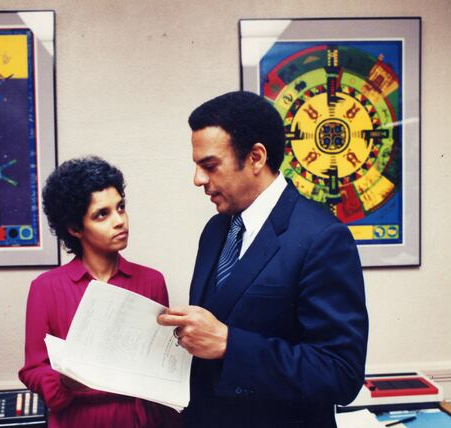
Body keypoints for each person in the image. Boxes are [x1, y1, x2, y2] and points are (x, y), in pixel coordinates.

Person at [157, 91, 369, 427]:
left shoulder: (322, 237)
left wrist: (230, 343)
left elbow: (340, 372)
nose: (198, 179)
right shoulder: (215, 231)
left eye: (209, 166)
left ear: (256, 157)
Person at [19, 156, 180, 427]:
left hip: (142, 418)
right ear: (74, 228)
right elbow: (32, 369)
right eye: (102, 214)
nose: (120, 221)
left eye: (121, 207)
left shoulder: (152, 281)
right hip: (79, 418)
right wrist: (63, 382)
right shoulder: (46, 288)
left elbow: (161, 360)